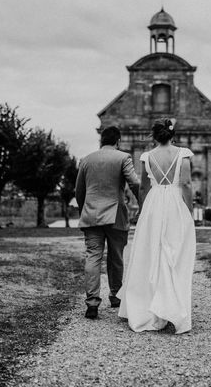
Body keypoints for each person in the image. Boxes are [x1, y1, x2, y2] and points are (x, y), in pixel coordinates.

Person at [118, 118, 196, 334]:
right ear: (173, 134)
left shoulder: (147, 157)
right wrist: (188, 211)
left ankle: (151, 306)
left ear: (155, 136)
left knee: (150, 252)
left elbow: (143, 187)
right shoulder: (184, 154)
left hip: (153, 203)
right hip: (174, 201)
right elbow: (187, 184)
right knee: (174, 252)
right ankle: (170, 306)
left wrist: (144, 211)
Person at [75, 126, 140, 320]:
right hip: (115, 215)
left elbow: (79, 191)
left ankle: (92, 303)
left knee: (93, 257)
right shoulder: (123, 158)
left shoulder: (86, 160)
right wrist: (143, 203)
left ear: (101, 141)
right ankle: (115, 296)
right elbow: (135, 182)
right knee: (116, 256)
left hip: (91, 215)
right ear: (118, 141)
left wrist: (83, 210)